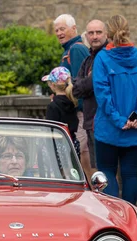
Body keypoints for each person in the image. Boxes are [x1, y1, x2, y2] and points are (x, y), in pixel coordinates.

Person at [92, 15, 137, 205]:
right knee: (130, 174)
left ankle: (113, 218)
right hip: (136, 129)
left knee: (107, 171)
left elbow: (103, 95)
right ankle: (130, 218)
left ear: (108, 34)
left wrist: (119, 120)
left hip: (108, 129)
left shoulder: (103, 58)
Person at [53, 14, 92, 180]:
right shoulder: (70, 50)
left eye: (62, 29)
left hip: (81, 113)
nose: (59, 33)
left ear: (74, 28)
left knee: (82, 153)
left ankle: (94, 191)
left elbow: (81, 83)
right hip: (76, 112)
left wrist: (77, 108)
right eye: (56, 30)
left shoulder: (76, 49)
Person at [72, 19, 109, 172]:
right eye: (91, 33)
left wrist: (88, 83)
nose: (95, 36)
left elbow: (93, 83)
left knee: (105, 170)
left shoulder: (108, 56)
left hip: (105, 120)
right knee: (97, 168)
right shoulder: (88, 60)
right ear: (86, 36)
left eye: (98, 32)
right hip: (91, 121)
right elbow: (76, 89)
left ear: (106, 34)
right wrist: (88, 82)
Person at [41, 66, 81, 160]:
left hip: (58, 145)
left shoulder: (53, 106)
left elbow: (50, 129)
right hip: (72, 142)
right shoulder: (73, 101)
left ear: (53, 85)